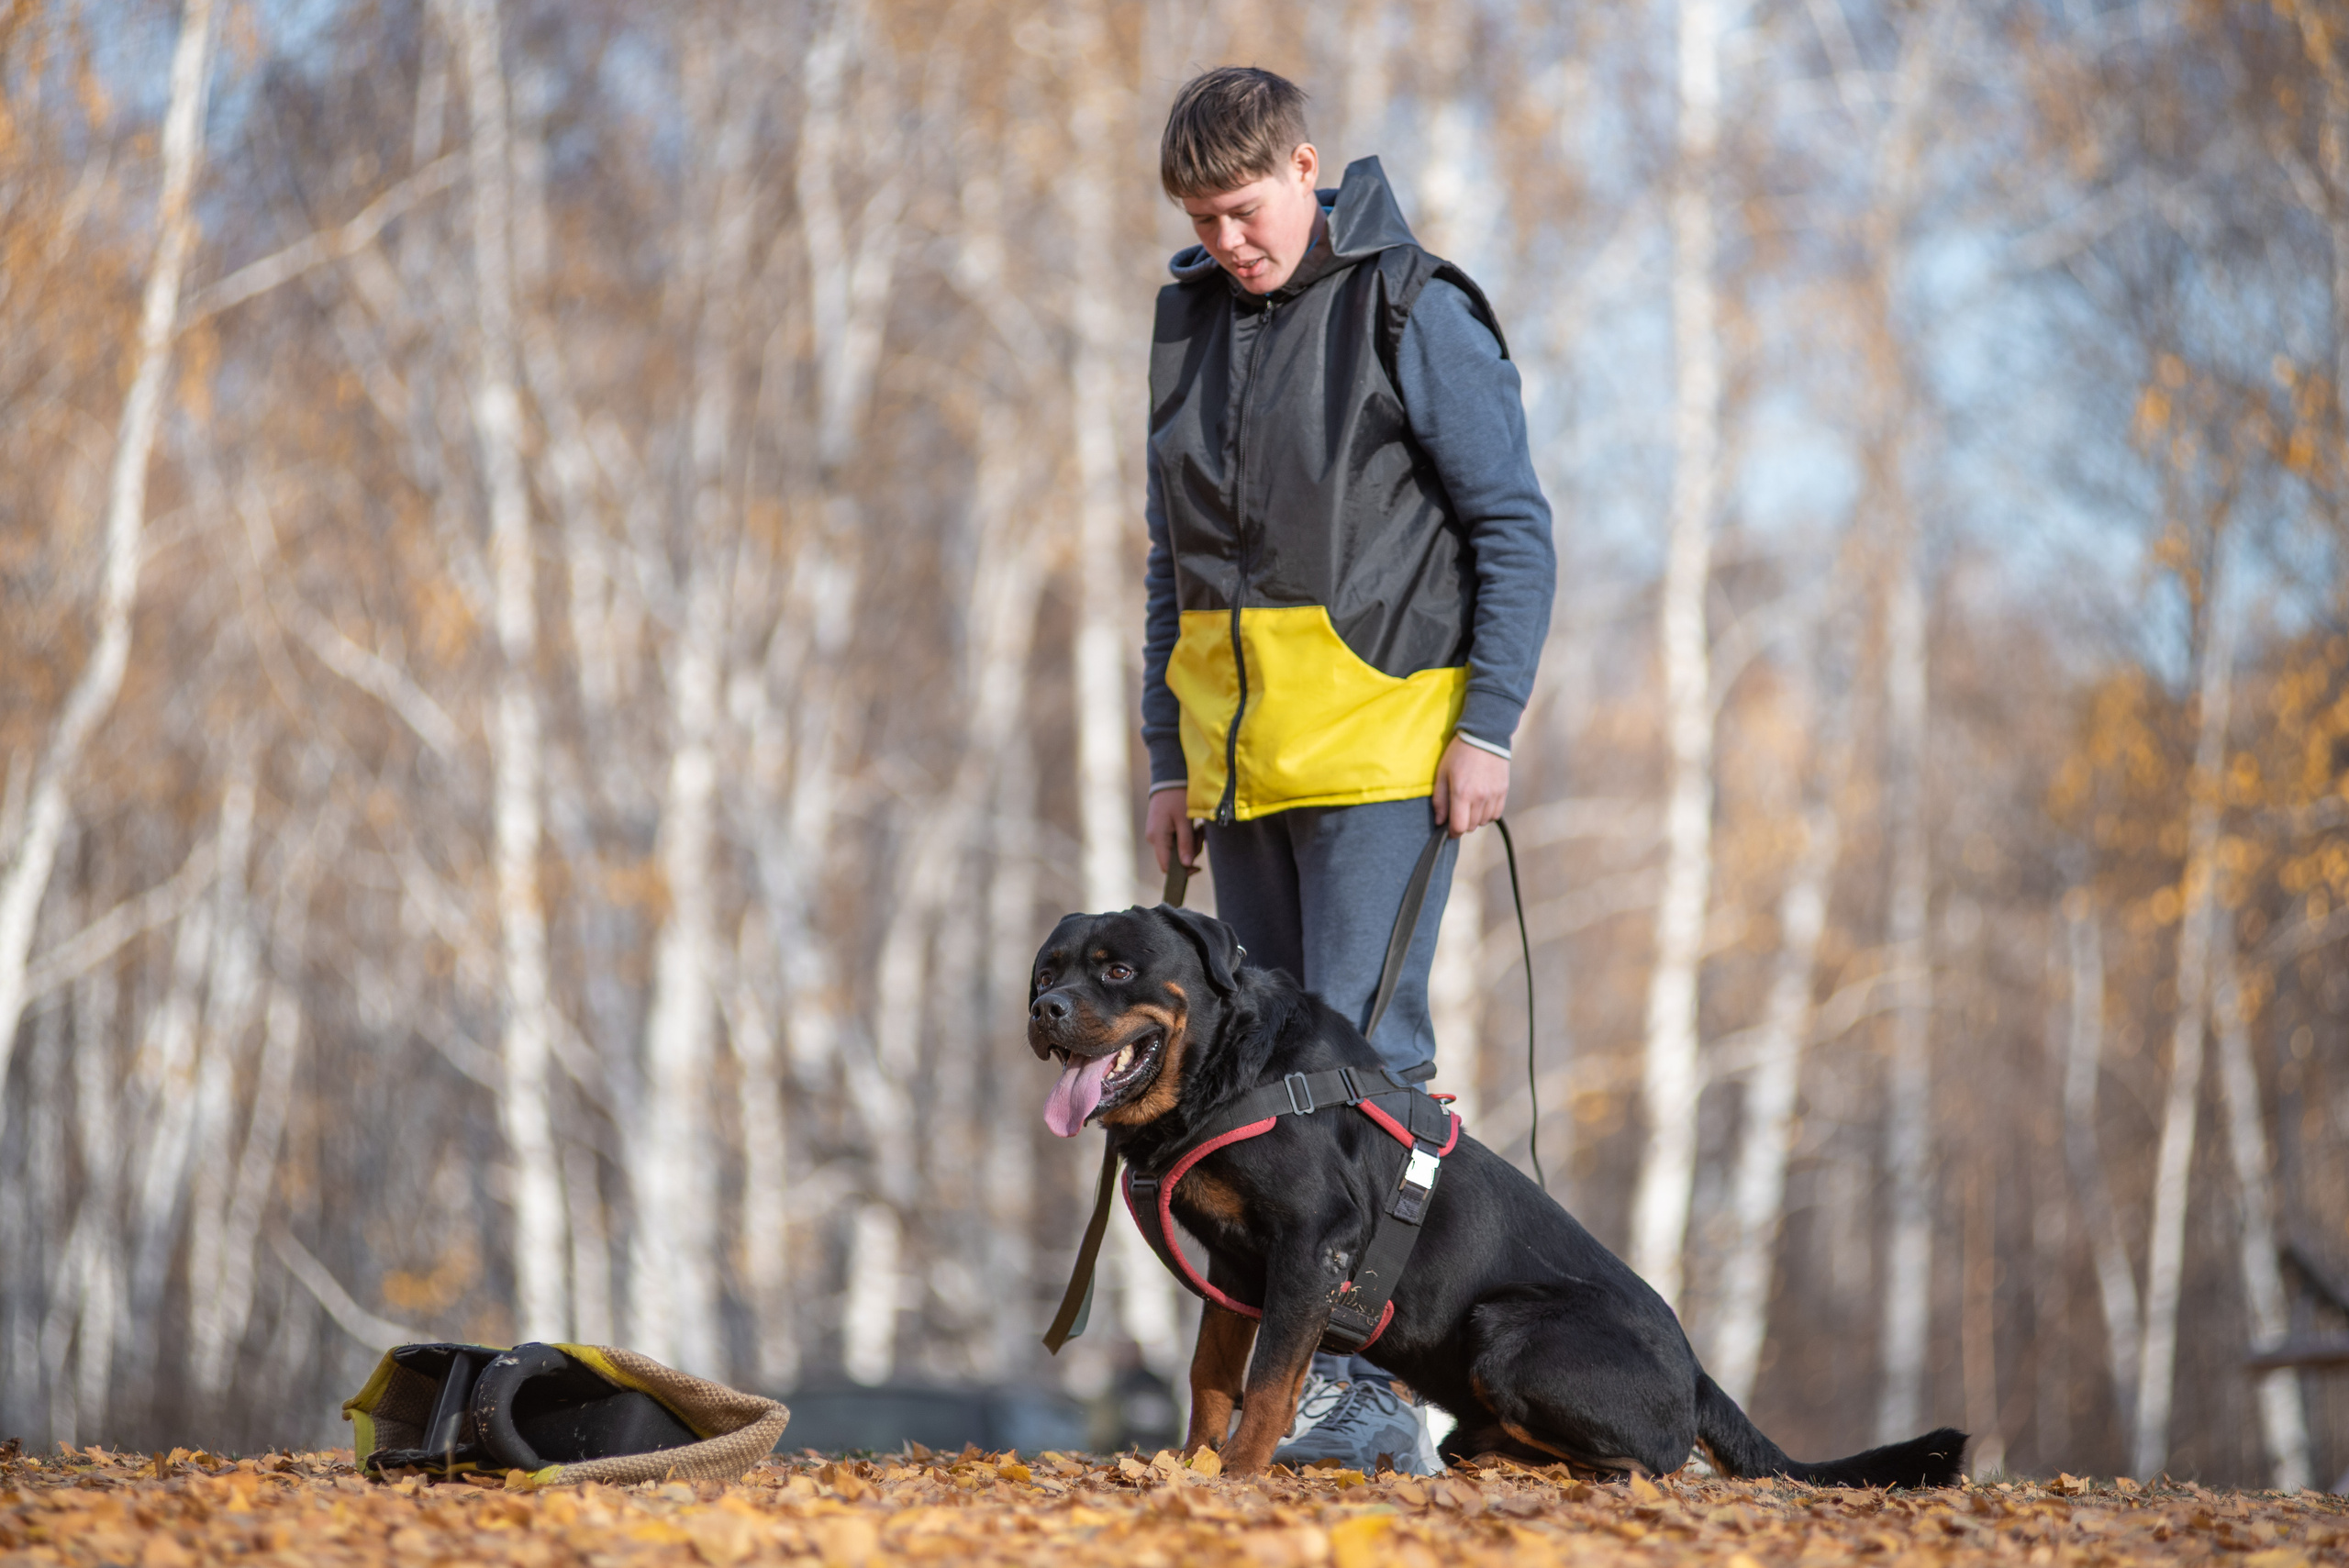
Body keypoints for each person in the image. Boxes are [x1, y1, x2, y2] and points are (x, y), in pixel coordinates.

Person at [1137, 67, 1556, 1474]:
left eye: (1244, 210)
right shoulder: (1188, 321)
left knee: (1373, 1084)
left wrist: (1486, 726)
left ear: (1307, 168)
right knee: (1246, 1105)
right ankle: (1297, 1395)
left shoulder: (1413, 306)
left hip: (1387, 754)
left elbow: (1512, 526)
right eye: (1201, 219)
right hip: (1237, 777)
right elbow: (1171, 568)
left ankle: (1373, 1398)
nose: (1226, 241)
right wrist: (1165, 756)